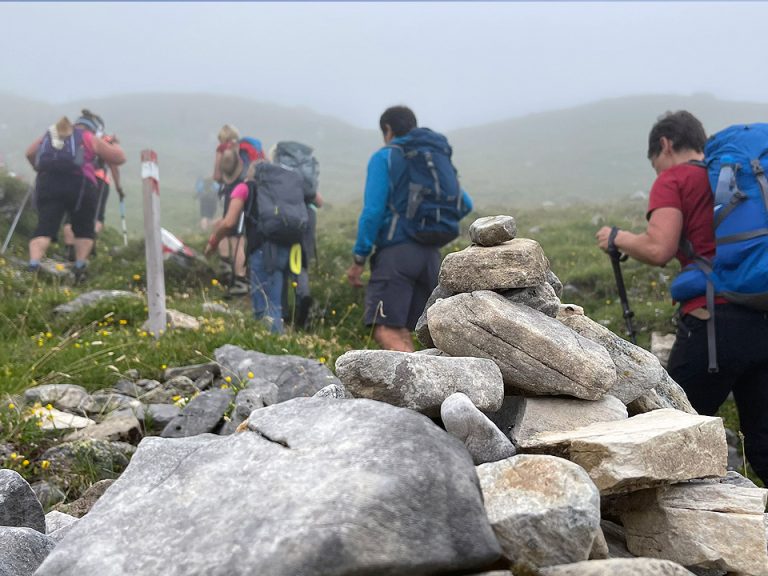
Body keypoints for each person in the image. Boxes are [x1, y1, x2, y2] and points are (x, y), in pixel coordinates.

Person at [596, 110, 768, 485]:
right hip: (761, 314)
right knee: (763, 444)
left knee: (669, 426)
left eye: (655, 164)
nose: (657, 172)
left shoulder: (675, 178)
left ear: (665, 144)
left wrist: (617, 237)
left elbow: (659, 248)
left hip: (713, 325)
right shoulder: (730, 179)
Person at [346, 105, 473, 352]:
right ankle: (428, 385)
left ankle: (419, 387)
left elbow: (372, 212)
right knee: (413, 329)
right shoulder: (432, 159)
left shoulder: (385, 157)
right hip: (430, 257)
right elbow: (465, 203)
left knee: (386, 328)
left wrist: (359, 258)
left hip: (396, 255)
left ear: (388, 129)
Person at [205, 158, 302, 334]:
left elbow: (229, 223)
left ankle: (268, 345)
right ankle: (277, 340)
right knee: (276, 300)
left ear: (250, 172)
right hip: (286, 248)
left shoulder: (244, 187)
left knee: (264, 304)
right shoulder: (278, 189)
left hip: (262, 250)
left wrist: (213, 243)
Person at [25, 115, 125, 281]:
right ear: (93, 128)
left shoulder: (53, 133)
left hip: (48, 182)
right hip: (80, 185)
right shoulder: (88, 137)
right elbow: (119, 158)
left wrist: (39, 168)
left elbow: (29, 153)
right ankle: (79, 268)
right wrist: (113, 143)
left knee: (44, 227)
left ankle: (33, 265)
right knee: (84, 228)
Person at [62, 111, 123, 260]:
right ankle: (89, 244)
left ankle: (70, 249)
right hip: (99, 180)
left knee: (70, 216)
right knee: (97, 216)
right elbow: (114, 165)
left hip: (74, 178)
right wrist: (118, 187)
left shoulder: (74, 137)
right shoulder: (104, 140)